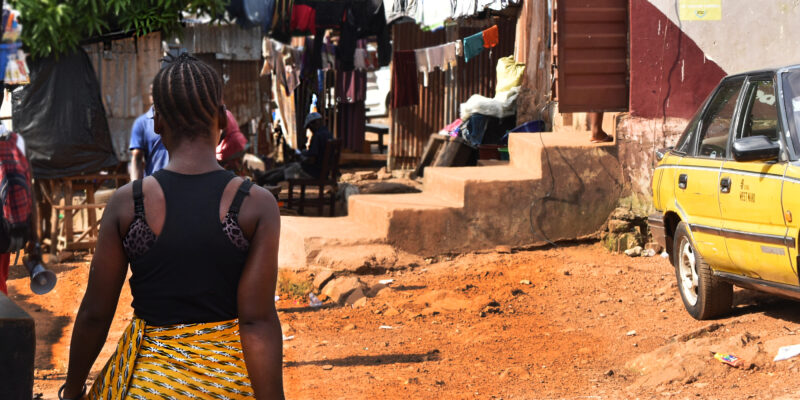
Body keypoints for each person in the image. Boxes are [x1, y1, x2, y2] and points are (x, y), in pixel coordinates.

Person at [60, 54, 284, 400]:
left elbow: (94, 313)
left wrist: (72, 391)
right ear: (223, 120)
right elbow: (257, 321)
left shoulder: (128, 203)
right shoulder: (255, 204)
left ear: (158, 122)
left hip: (144, 386)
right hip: (226, 384)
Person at [257, 112, 333, 186]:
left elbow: (311, 159)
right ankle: (264, 176)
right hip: (320, 171)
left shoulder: (317, 136)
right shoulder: (328, 134)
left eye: (310, 127)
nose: (310, 129)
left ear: (315, 123)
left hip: (313, 172)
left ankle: (264, 179)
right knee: (289, 167)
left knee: (287, 171)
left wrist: (300, 157)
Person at [129, 85, 170, 180]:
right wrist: (136, 188)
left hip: (177, 182)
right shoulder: (141, 123)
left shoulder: (178, 120)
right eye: (152, 94)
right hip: (154, 182)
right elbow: (137, 158)